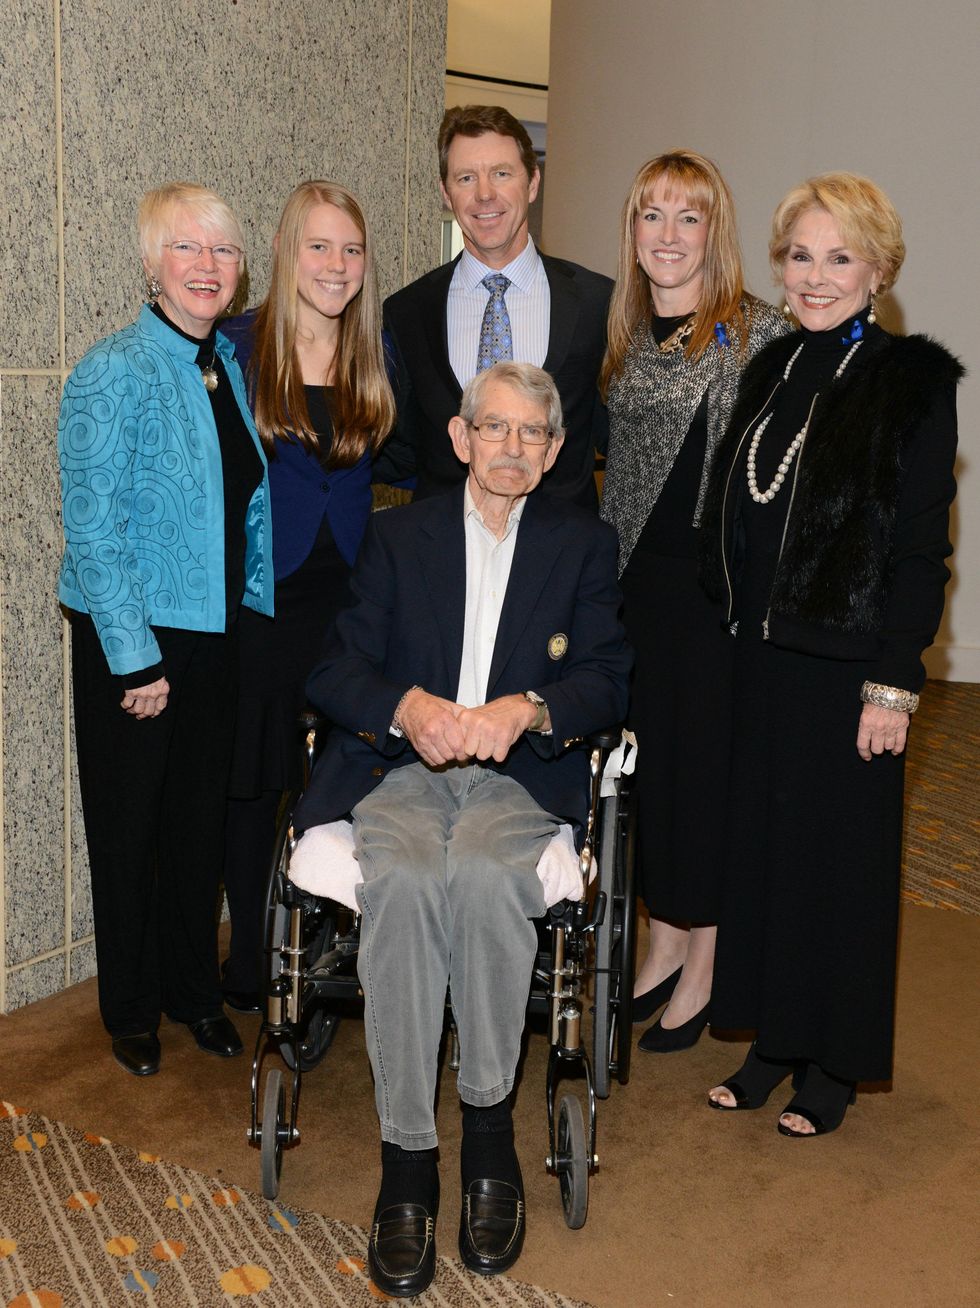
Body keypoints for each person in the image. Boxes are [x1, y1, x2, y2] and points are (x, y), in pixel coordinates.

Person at [292, 362, 630, 1296]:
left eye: (533, 433)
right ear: (460, 436)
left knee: (483, 873)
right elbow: (335, 669)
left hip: (518, 779)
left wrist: (531, 707)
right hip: (403, 768)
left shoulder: (583, 544)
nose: (512, 447)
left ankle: (487, 1133)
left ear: (555, 452)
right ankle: (407, 1156)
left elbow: (608, 677)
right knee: (401, 880)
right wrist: (406, 706)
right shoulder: (399, 536)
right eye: (495, 428)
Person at [700, 173, 960, 1135]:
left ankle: (832, 1065)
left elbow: (921, 550)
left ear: (879, 270)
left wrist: (896, 680)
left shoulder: (911, 381)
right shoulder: (772, 367)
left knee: (837, 868)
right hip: (761, 660)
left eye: (839, 258)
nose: (815, 277)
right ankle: (773, 1040)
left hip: (852, 672)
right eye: (800, 256)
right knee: (768, 856)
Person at [58, 182, 273, 1076]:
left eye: (222, 251)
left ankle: (194, 995)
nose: (206, 266)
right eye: (186, 248)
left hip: (216, 636)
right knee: (129, 830)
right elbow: (93, 528)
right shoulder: (113, 368)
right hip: (137, 641)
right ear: (152, 264)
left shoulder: (221, 366)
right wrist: (136, 659)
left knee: (196, 826)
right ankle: (131, 1007)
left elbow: (238, 503)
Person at [599, 150, 787, 1052]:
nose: (668, 235)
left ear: (716, 232)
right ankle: (664, 940)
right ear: (633, 231)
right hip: (637, 594)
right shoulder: (628, 336)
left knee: (707, 779)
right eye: (652, 215)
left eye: (688, 217)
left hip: (717, 602)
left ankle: (706, 957)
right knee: (654, 777)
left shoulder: (761, 334)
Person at [218, 182, 395, 1011]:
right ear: (287, 252)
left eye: (351, 249)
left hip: (349, 600)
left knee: (341, 778)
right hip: (262, 600)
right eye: (319, 246)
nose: (336, 264)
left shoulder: (374, 351)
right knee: (257, 784)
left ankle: (325, 950)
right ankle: (252, 963)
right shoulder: (236, 348)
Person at [379, 104, 612, 509]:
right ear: (446, 193)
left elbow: (623, 439)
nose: (484, 193)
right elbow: (398, 447)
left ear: (533, 183)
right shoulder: (407, 312)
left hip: (562, 542)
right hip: (444, 542)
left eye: (501, 174)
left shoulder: (598, 302)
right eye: (466, 178)